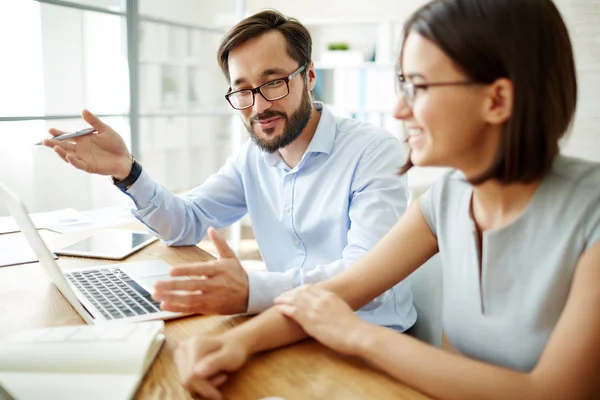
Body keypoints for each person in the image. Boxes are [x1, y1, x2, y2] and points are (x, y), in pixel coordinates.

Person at [170, 0, 600, 399]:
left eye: (420, 87)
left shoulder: (592, 213)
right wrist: (231, 344)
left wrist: (357, 335)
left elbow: (555, 392)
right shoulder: (447, 198)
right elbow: (341, 291)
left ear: (497, 99)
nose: (399, 110)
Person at [42, 10, 416, 329]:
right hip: (288, 322)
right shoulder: (253, 159)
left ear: (310, 76)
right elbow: (186, 222)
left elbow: (366, 281)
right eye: (243, 91)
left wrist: (252, 289)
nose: (258, 107)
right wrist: (127, 171)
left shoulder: (373, 152)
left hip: (366, 336)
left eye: (273, 82)